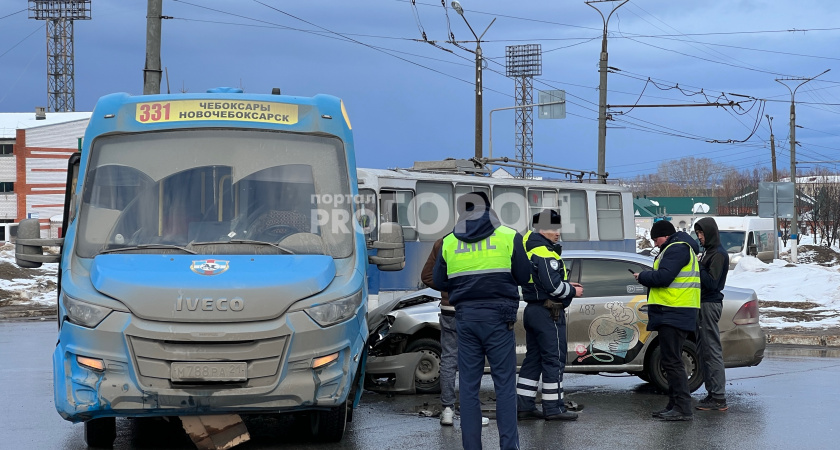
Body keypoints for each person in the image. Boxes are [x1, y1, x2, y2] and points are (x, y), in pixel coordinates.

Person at [433, 192, 530, 450]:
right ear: (488, 208)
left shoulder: (449, 241)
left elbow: (440, 281)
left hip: (464, 319)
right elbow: (523, 275)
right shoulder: (509, 236)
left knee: (467, 387)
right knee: (505, 386)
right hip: (500, 319)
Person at [516, 210, 583, 421]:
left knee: (533, 360)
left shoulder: (528, 248)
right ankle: (554, 408)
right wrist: (573, 291)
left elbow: (540, 282)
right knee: (554, 359)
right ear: (542, 229)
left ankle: (524, 406)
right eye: (554, 228)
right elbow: (553, 286)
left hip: (533, 309)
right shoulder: (544, 252)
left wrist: (565, 286)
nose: (558, 233)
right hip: (548, 312)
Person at [633, 220, 700, 421]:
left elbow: (664, 278)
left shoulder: (677, 249)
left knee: (672, 361)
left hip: (675, 311)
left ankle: (683, 408)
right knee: (670, 360)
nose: (655, 244)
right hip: (672, 311)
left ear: (665, 235)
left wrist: (644, 276)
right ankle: (674, 404)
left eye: (656, 239)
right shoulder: (675, 248)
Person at [421, 237, 459, 426]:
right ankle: (470, 411)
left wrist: (449, 289)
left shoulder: (444, 242)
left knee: (449, 359)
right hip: (473, 309)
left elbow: (427, 276)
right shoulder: (484, 241)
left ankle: (447, 410)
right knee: (472, 359)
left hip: (449, 309)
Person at [693, 217, 730, 411]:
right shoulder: (708, 252)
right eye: (697, 234)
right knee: (704, 350)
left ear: (710, 233)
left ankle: (719, 397)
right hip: (703, 303)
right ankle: (712, 393)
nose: (699, 237)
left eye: (701, 233)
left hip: (710, 303)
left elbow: (712, 282)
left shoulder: (718, 254)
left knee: (712, 350)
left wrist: (697, 265)